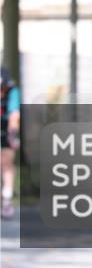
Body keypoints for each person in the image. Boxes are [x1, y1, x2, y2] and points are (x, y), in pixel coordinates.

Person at [1, 66, 21, 220]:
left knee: (7, 162)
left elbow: (14, 115)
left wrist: (12, 135)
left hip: (5, 127)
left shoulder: (13, 92)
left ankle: (7, 199)